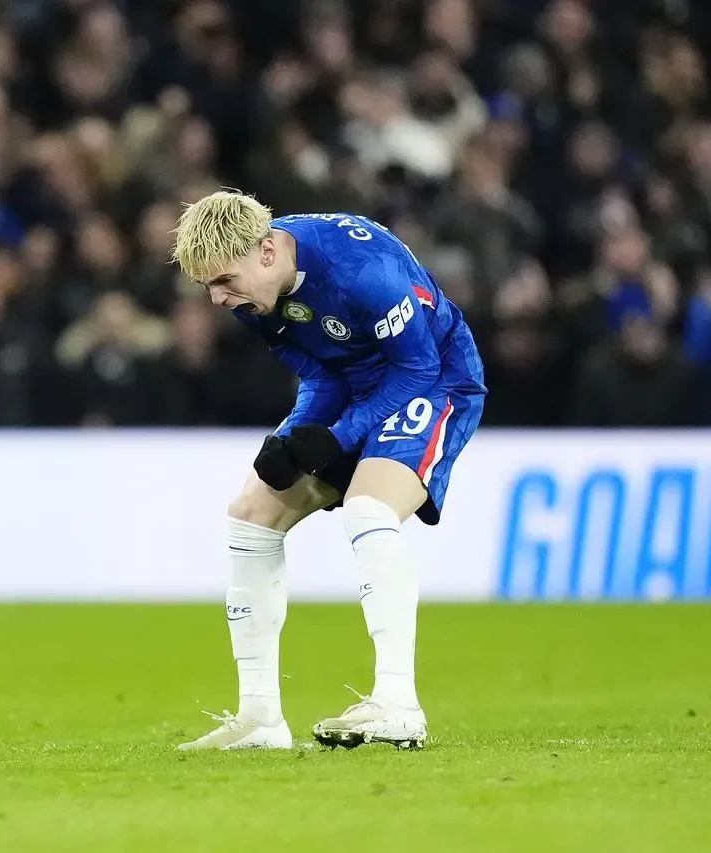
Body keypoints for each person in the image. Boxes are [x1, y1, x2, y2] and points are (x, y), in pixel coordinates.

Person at [171, 190, 487, 751]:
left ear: (266, 252)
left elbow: (418, 366)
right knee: (250, 514)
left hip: (437, 380)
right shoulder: (255, 298)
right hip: (362, 383)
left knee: (369, 508)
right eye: (208, 288)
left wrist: (338, 437)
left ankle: (398, 703)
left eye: (224, 282)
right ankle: (261, 718)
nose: (218, 300)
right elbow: (321, 375)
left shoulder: (362, 271)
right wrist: (292, 438)